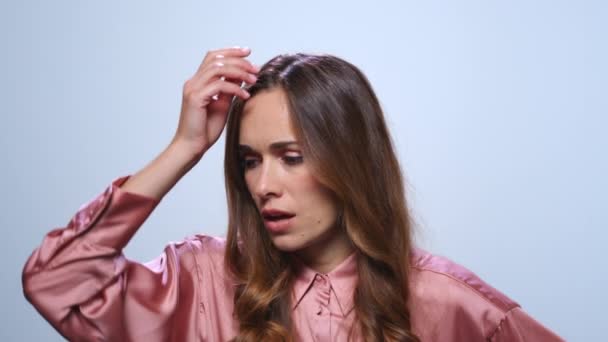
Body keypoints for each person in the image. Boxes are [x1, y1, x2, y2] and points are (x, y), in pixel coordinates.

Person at [22, 47, 564, 341]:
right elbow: (56, 280)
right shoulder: (204, 281)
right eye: (249, 161)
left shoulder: (445, 302)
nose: (263, 185)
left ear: (350, 161)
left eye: (291, 157)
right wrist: (185, 148)